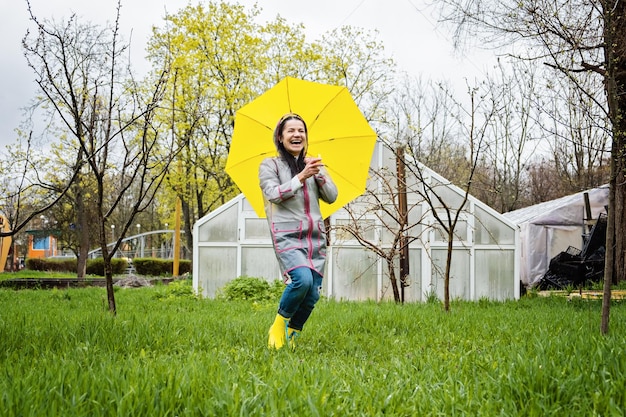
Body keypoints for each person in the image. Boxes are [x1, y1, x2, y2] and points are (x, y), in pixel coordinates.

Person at [259, 113, 338, 350]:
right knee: (301, 280)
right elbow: (273, 194)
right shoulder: (270, 165)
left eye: (301, 131)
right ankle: (278, 325)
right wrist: (301, 177)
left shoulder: (313, 166)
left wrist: (319, 173)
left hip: (315, 238)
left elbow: (332, 197)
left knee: (313, 293)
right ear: (280, 137)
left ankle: (292, 336)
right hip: (287, 235)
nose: (297, 135)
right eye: (291, 131)